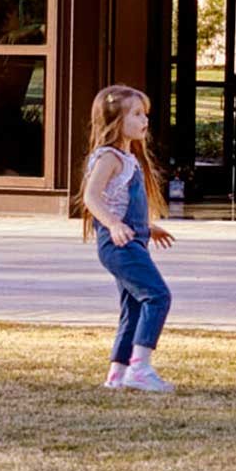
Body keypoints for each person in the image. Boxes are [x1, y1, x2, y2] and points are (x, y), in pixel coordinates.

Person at [78, 84, 176, 394]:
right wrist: (113, 225)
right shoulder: (109, 157)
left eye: (145, 114)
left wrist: (147, 227)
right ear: (115, 121)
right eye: (136, 114)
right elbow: (92, 197)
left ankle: (117, 374)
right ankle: (140, 368)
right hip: (118, 244)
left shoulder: (126, 156)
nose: (144, 120)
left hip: (130, 240)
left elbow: (119, 200)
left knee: (133, 307)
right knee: (157, 296)